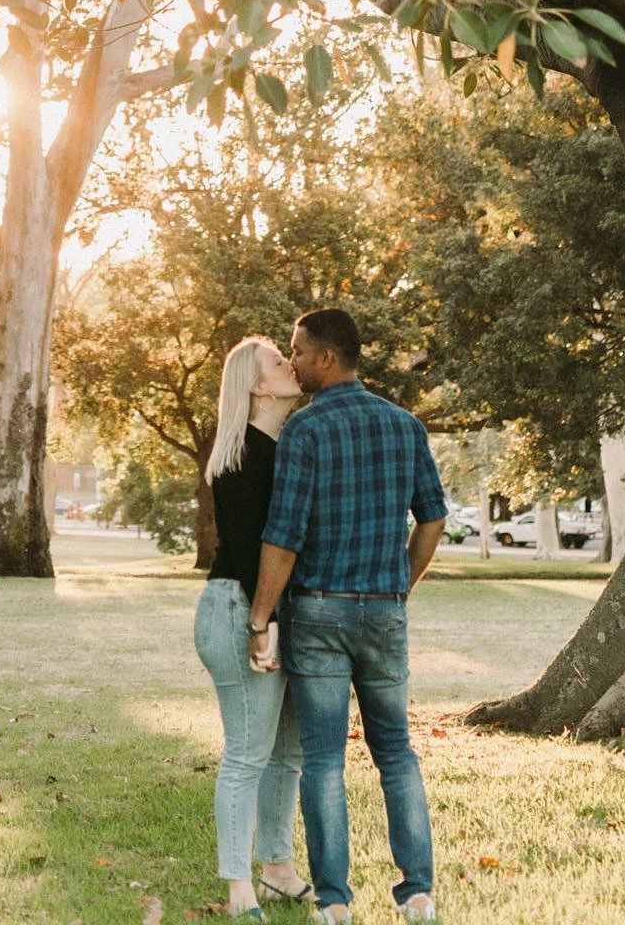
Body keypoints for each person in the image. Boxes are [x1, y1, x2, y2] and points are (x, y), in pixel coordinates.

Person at [248, 309, 446, 925]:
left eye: (299, 352)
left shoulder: (306, 431)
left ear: (327, 358)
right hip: (383, 612)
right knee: (397, 753)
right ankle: (417, 893)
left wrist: (259, 617)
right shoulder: (404, 424)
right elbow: (433, 517)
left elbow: (283, 537)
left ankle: (333, 902)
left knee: (325, 760)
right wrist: (399, 586)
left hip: (319, 613)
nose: (296, 362)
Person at [195, 336, 316, 918]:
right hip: (240, 610)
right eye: (277, 360)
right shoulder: (244, 453)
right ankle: (238, 885)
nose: (291, 363)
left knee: (286, 752)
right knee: (248, 753)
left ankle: (278, 869)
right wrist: (259, 624)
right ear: (257, 385)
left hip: (276, 614)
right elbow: (249, 552)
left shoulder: (281, 446)